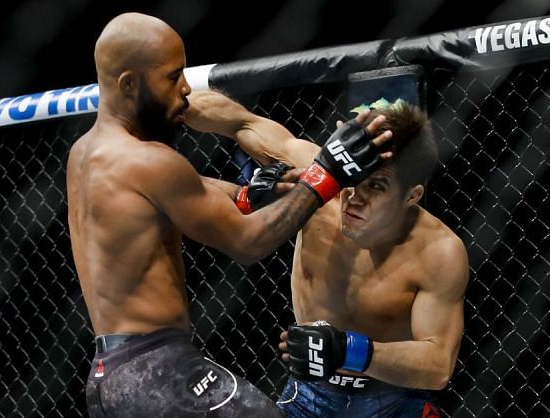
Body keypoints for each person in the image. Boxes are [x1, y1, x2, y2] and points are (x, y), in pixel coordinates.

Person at [66, 13, 393, 417]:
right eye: (172, 77)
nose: (185, 89)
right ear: (129, 84)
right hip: (158, 371)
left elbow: (191, 192)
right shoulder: (150, 161)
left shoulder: (85, 154)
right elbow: (247, 242)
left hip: (109, 377)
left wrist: (247, 193)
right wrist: (327, 173)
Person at [186, 90, 468, 417]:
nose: (353, 197)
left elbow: (438, 366)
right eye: (353, 178)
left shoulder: (438, 252)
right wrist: (137, 104)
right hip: (310, 394)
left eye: (376, 186)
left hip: (392, 399)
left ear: (412, 196)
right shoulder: (319, 176)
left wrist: (348, 351)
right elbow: (236, 120)